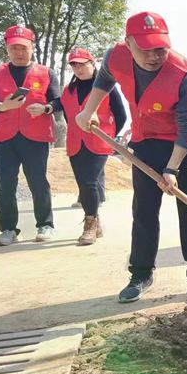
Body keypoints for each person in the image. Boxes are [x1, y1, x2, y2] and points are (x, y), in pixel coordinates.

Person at [76, 12, 187, 303]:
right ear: (128, 43)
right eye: (146, 48)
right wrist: (89, 110)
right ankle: (141, 274)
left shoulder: (184, 75)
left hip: (186, 143)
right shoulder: (116, 55)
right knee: (144, 210)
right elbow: (104, 78)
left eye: (160, 48)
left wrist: (172, 169)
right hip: (147, 138)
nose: (154, 55)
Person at [0, 25, 61, 246]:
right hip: (5, 137)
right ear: (7, 48)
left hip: (36, 136)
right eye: (14, 48)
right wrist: (1, 106)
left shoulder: (46, 72)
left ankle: (45, 225)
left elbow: (57, 100)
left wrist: (45, 109)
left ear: (32, 47)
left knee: (38, 181)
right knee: (5, 183)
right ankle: (8, 229)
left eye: (23, 47)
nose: (19, 52)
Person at [60, 48, 126, 245]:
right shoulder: (68, 90)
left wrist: (109, 135)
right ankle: (95, 221)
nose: (78, 68)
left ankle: (89, 223)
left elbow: (121, 115)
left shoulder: (107, 87)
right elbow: (67, 115)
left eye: (82, 63)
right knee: (83, 184)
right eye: (74, 64)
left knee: (89, 181)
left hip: (99, 141)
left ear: (92, 63)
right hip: (75, 142)